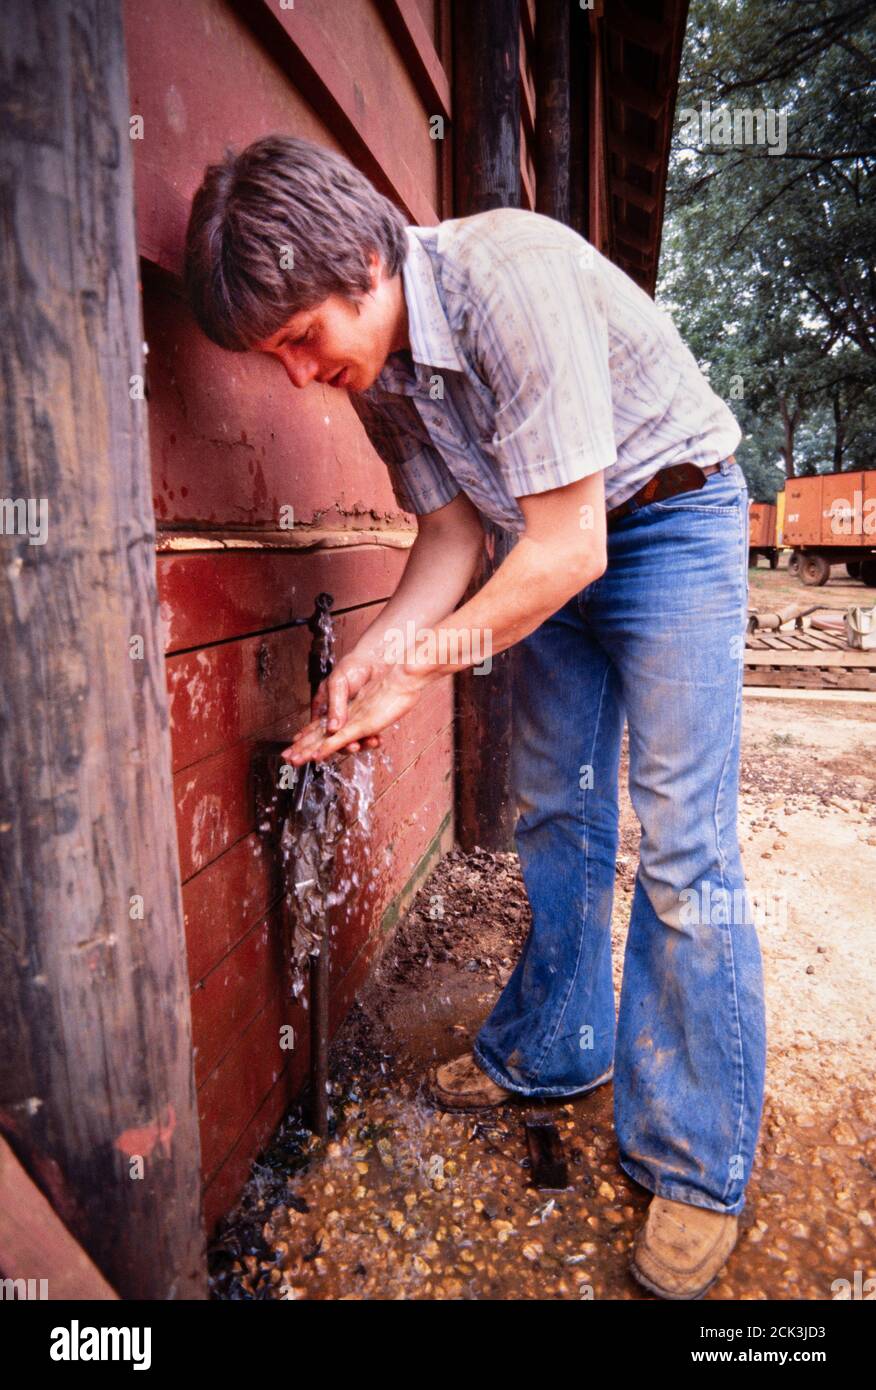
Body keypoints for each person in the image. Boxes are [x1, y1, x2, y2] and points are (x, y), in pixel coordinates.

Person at [184, 134, 766, 1300]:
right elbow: (453, 539)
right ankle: (558, 1048)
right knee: (555, 809)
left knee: (682, 838)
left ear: (363, 254)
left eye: (301, 339)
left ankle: (696, 1161)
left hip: (667, 519)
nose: (299, 375)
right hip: (545, 543)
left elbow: (569, 546)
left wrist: (421, 675)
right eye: (278, 358)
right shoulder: (385, 369)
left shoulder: (509, 274)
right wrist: (372, 660)